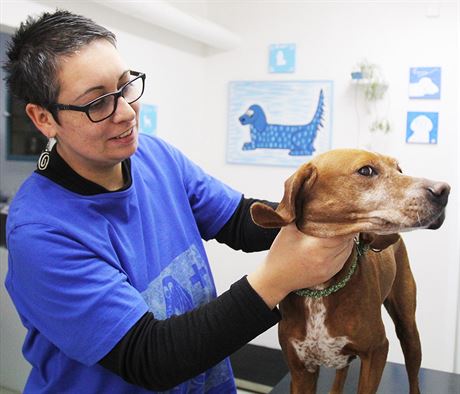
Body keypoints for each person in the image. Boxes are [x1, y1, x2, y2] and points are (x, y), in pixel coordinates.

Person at [3, 10, 355, 394]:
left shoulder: (154, 156)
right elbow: (149, 358)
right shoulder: (41, 233)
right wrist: (279, 277)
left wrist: (330, 215)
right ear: (43, 119)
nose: (125, 113)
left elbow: (239, 220)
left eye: (125, 86)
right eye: (97, 103)